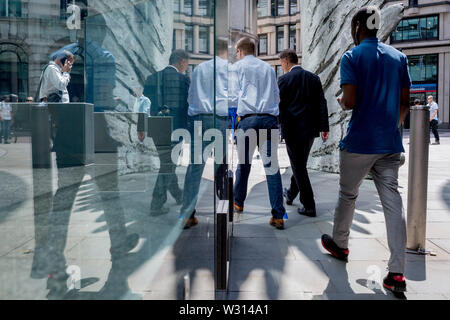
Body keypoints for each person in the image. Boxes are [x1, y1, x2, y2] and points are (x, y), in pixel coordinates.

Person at [320, 6, 411, 296]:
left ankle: (340, 244)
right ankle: (396, 273)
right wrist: (391, 127)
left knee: (348, 194)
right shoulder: (399, 57)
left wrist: (342, 99)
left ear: (358, 26)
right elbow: (405, 102)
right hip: (389, 144)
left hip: (359, 142)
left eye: (351, 26)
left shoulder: (352, 56)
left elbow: (349, 101)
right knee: (392, 203)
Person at [232, 37, 287, 230]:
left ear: (240, 51)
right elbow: (276, 96)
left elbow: (232, 96)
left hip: (247, 120)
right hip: (268, 119)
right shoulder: (267, 69)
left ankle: (238, 202)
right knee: (272, 167)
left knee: (243, 164)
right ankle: (278, 215)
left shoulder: (237, 67)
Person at [179, 38, 230, 229]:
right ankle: (223, 213)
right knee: (222, 168)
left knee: (195, 168)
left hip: (199, 119)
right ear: (227, 50)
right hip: (221, 121)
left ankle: (188, 215)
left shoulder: (199, 69)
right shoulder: (230, 69)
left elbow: (191, 96)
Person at [278, 49, 330, 218]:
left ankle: (309, 205)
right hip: (310, 130)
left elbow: (279, 106)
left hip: (292, 130)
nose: (282, 67)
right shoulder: (313, 78)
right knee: (299, 164)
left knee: (298, 166)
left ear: (286, 61)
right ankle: (291, 193)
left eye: (281, 63)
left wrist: (277, 125)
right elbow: (322, 103)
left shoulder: (283, 80)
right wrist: (324, 127)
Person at [142, 50, 190, 214]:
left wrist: (141, 127)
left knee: (167, 162)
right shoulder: (183, 80)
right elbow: (188, 106)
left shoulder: (152, 78)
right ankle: (156, 203)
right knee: (169, 164)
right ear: (181, 61)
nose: (186, 68)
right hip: (177, 128)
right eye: (186, 64)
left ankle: (178, 194)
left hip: (157, 127)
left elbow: (144, 106)